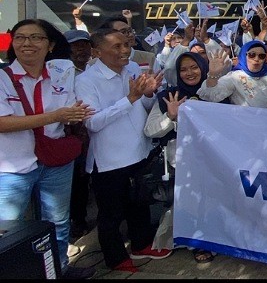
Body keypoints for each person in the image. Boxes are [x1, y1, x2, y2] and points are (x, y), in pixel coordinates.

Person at [0, 19, 96, 279]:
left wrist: (74, 115)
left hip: (55, 160)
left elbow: (66, 114)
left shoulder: (60, 77)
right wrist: (55, 116)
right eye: (20, 37)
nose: (27, 43)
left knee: (58, 221)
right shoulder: (2, 79)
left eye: (36, 38)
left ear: (50, 45)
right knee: (7, 228)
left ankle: (59, 268)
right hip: (12, 167)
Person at [75, 28, 170, 273]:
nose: (125, 50)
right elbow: (92, 123)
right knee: (111, 214)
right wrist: (130, 98)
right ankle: (116, 259)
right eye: (116, 46)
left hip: (138, 151)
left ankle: (141, 244)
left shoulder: (133, 70)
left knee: (139, 203)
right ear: (96, 52)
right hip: (108, 159)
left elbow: (144, 105)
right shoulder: (86, 80)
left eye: (126, 45)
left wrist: (148, 94)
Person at [143, 51, 218, 263]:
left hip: (213, 160)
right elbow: (150, 131)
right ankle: (195, 243)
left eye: (194, 67)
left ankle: (209, 239)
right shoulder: (169, 96)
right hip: (181, 162)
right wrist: (171, 116)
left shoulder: (217, 92)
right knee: (189, 204)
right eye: (183, 69)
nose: (189, 73)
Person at [63, 29, 93, 240]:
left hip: (92, 131)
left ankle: (80, 219)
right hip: (70, 133)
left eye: (84, 44)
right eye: (75, 45)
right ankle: (75, 221)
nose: (81, 49)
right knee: (75, 179)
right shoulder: (61, 72)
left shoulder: (93, 69)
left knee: (87, 178)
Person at [198, 41, 267, 108]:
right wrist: (213, 74)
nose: (256, 59)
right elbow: (211, 96)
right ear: (244, 56)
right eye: (252, 55)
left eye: (261, 56)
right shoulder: (234, 77)